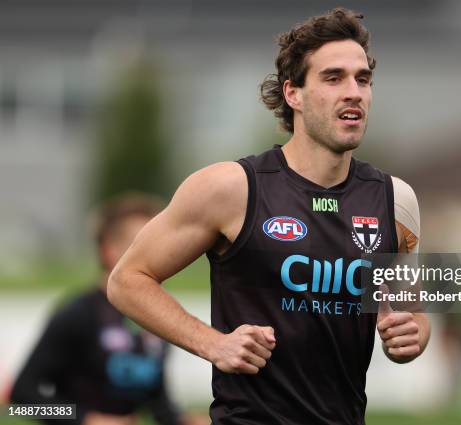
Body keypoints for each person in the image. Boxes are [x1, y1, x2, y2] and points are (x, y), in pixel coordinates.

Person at [107, 8, 430, 425]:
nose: (354, 92)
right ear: (293, 93)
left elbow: (412, 312)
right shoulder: (231, 188)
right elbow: (127, 281)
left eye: (362, 79)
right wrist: (213, 343)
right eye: (333, 78)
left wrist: (413, 335)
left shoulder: (395, 198)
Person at [11, 193, 204, 425]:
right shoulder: (77, 315)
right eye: (143, 244)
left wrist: (190, 421)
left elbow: (157, 405)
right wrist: (88, 420)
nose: (162, 253)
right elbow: (21, 400)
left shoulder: (159, 317)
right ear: (109, 251)